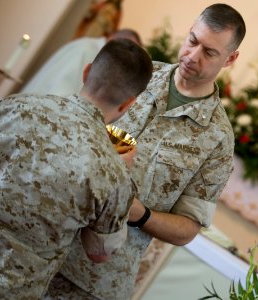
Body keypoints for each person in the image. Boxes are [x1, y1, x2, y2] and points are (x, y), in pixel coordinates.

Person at [49, 3, 246, 299]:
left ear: (230, 58)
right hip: (46, 237)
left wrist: (140, 214)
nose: (193, 56)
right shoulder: (136, 73)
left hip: (94, 280)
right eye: (192, 41)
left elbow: (188, 228)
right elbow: (75, 124)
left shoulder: (218, 138)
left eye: (209, 52)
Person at [0, 39, 153, 299]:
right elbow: (99, 253)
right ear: (129, 103)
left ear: (86, 72)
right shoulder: (114, 174)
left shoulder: (14, 106)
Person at [21, 28, 142, 97]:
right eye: (127, 47)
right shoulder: (88, 50)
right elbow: (60, 91)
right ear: (113, 37)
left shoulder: (92, 49)